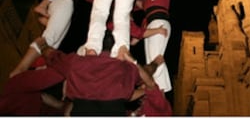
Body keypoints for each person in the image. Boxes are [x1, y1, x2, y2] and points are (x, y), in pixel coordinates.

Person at [42, 29, 171, 116]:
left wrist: (43, 45)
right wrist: (154, 63)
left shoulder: (76, 62)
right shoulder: (124, 68)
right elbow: (146, 73)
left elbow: (50, 55)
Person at [135, 0, 172, 93]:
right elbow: (132, 3)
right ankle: (160, 90)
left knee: (156, 58)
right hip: (151, 26)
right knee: (152, 58)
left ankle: (154, 91)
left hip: (160, 22)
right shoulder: (145, 0)